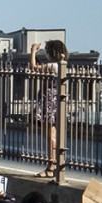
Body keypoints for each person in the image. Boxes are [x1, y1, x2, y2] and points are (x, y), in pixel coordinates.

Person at [29, 39, 68, 178]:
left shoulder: (53, 66)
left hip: (49, 102)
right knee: (50, 134)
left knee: (50, 135)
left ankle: (52, 165)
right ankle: (53, 164)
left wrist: (33, 50)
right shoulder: (60, 66)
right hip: (53, 101)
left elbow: (33, 67)